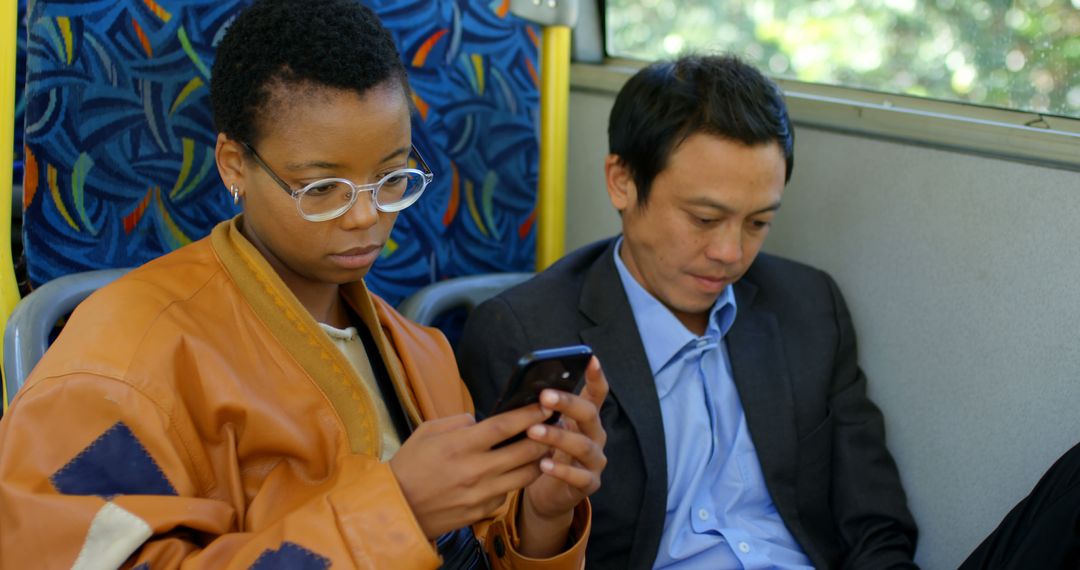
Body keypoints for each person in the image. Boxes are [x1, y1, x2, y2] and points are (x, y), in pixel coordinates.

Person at [0, 1, 608, 567]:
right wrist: (400, 511)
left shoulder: (421, 354)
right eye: (322, 190)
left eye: (392, 179)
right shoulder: (120, 365)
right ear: (234, 164)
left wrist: (540, 516)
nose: (366, 216)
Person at [457, 54, 917, 568]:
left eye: (758, 222)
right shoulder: (526, 331)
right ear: (622, 182)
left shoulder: (809, 306)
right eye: (704, 218)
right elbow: (502, 551)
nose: (730, 252)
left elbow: (876, 526)